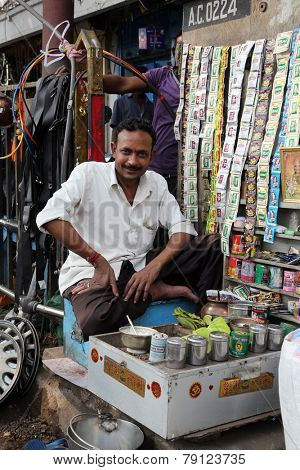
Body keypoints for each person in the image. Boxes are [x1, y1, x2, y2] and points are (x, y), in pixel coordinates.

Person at [36, 118, 222, 339]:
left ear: (152, 155)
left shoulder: (156, 183)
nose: (132, 161)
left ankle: (205, 323)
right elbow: (50, 217)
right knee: (94, 321)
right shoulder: (87, 174)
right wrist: (97, 259)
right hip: (90, 274)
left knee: (212, 247)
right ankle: (155, 291)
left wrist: (153, 267)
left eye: (141, 154)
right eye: (126, 152)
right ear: (114, 149)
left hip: (140, 268)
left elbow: (182, 229)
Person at [65, 32, 183, 195]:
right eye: (179, 48)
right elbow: (122, 84)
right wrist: (88, 67)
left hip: (189, 173)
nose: (184, 53)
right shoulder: (163, 76)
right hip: (158, 170)